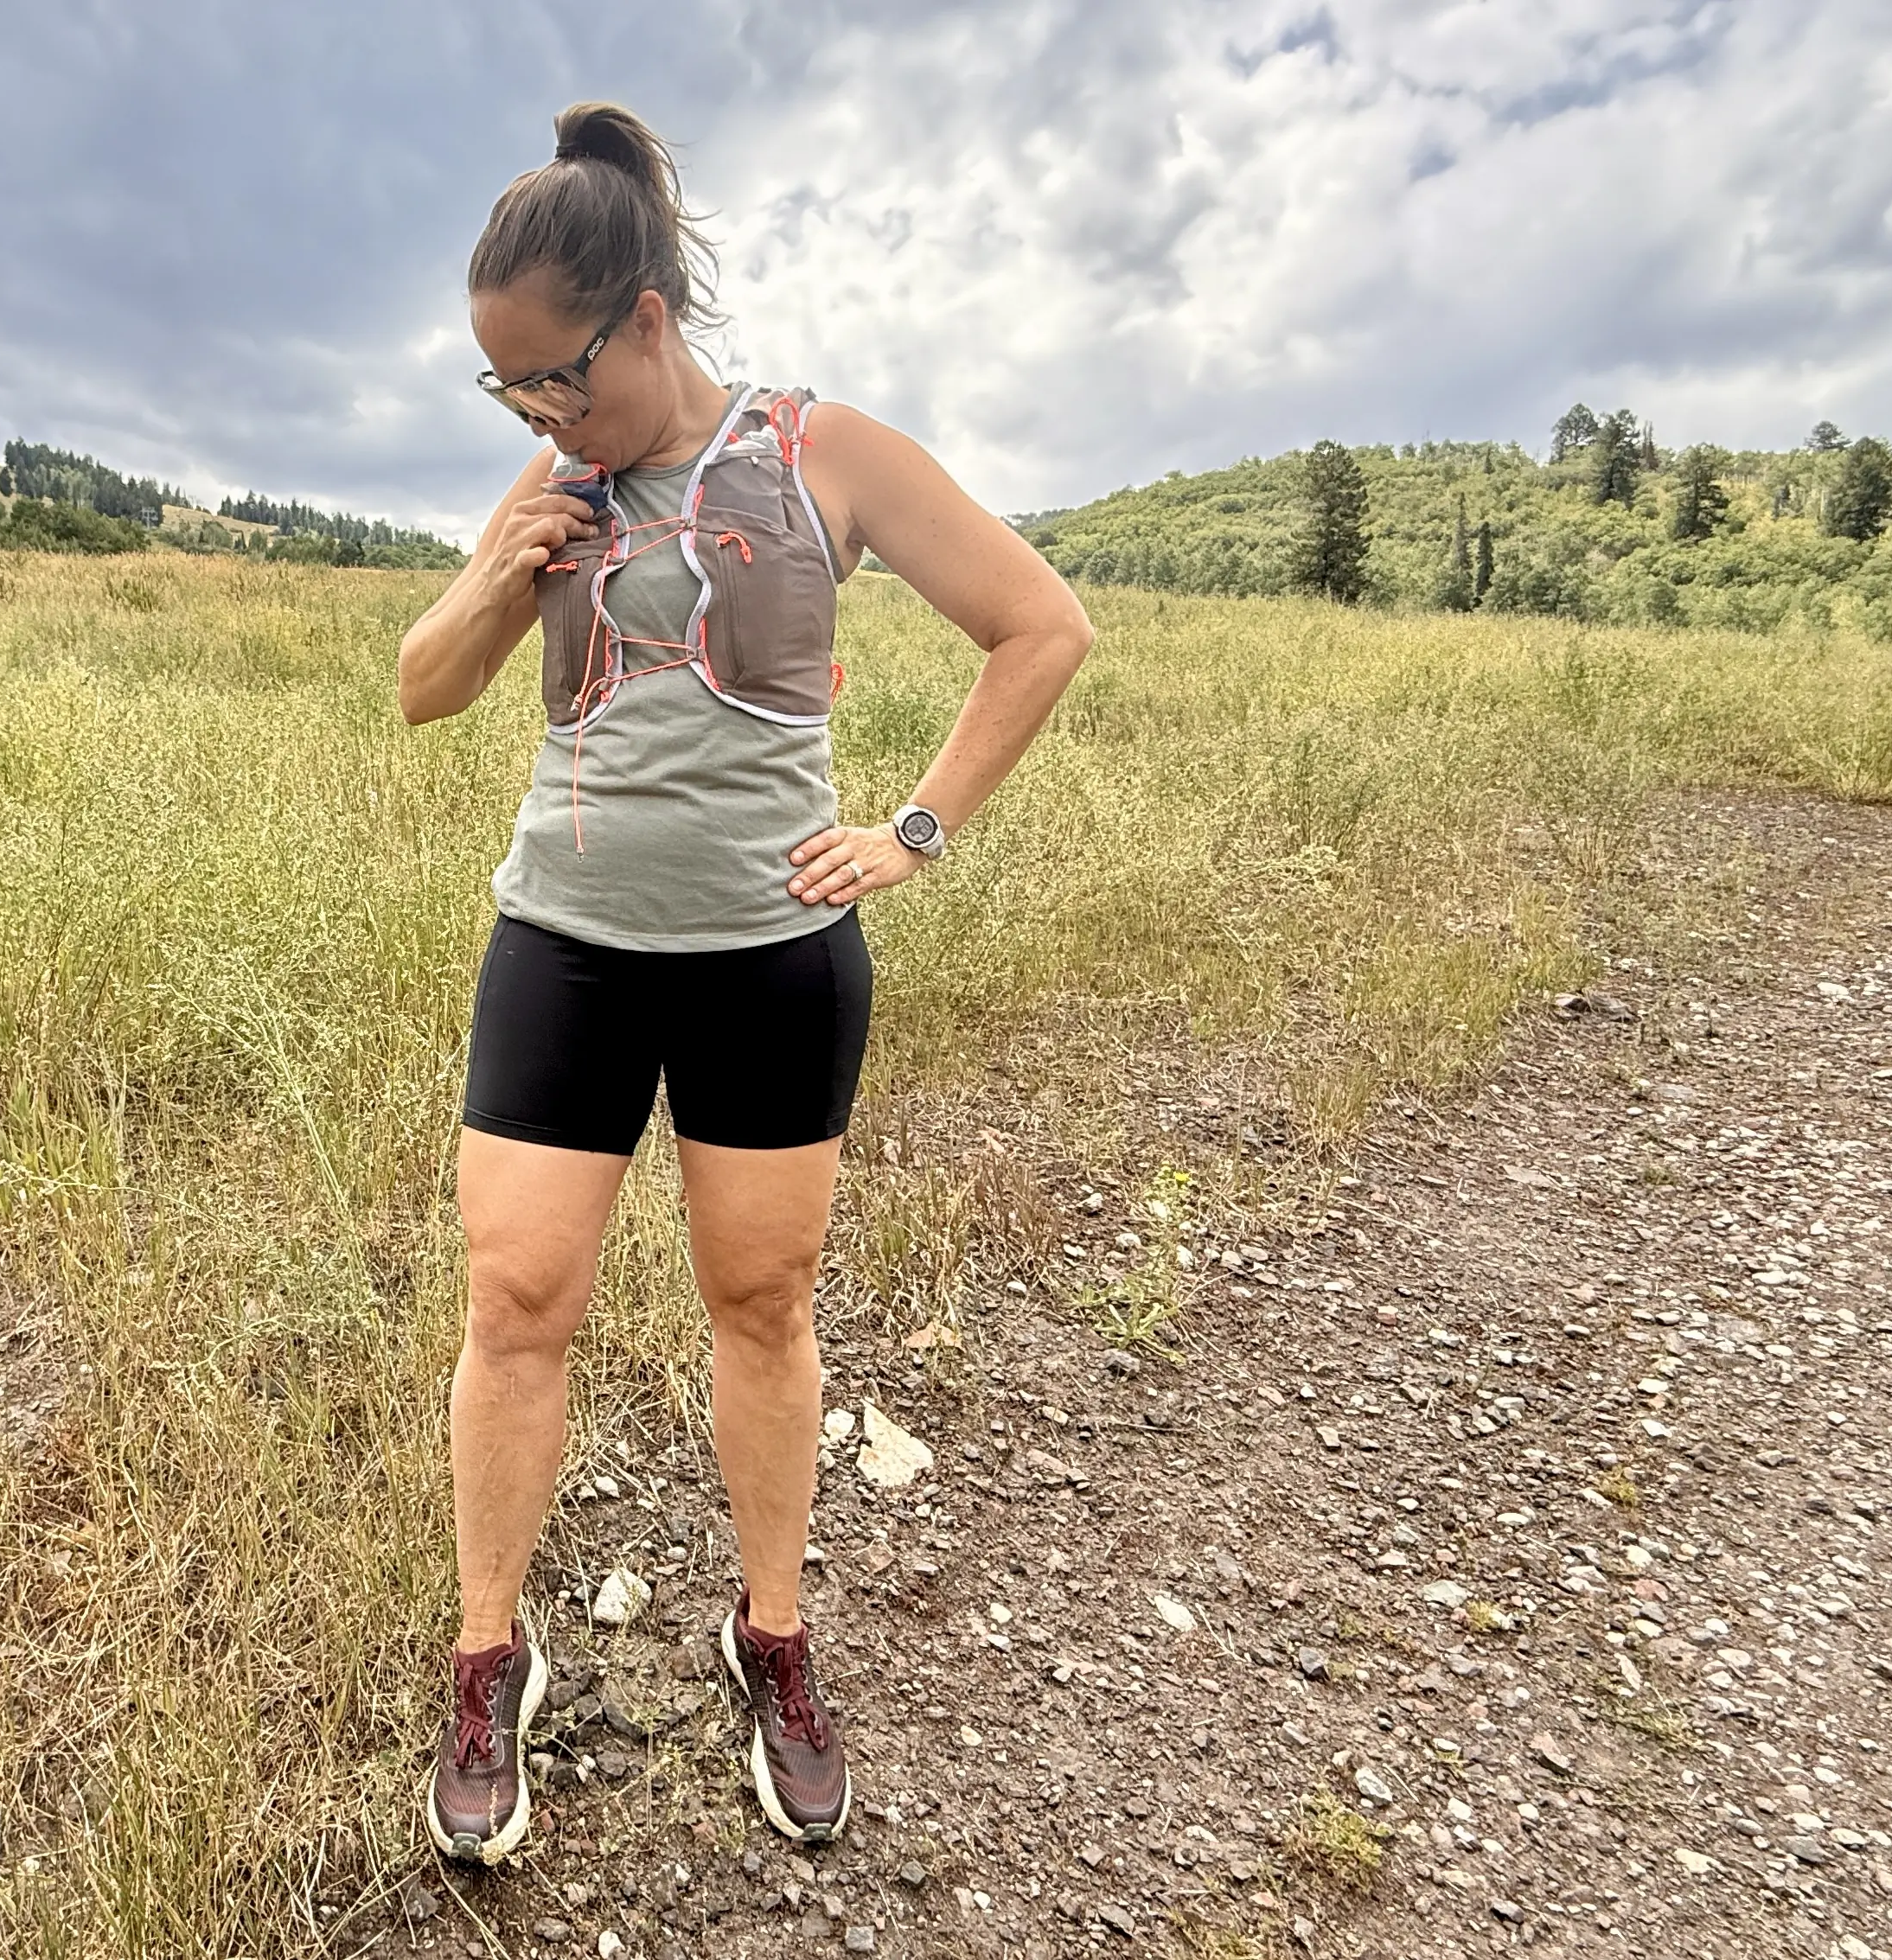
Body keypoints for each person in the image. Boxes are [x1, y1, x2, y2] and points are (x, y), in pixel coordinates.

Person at [396, 101, 1096, 1864]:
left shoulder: (817, 450)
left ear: (643, 318)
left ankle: (767, 1633)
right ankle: (492, 1652)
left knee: (760, 1304)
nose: (543, 419)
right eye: (507, 396)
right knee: (516, 1297)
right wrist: (500, 571)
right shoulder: (550, 484)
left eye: (556, 378)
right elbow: (418, 686)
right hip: (561, 942)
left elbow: (1039, 624)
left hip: (771, 963)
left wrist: (913, 830)